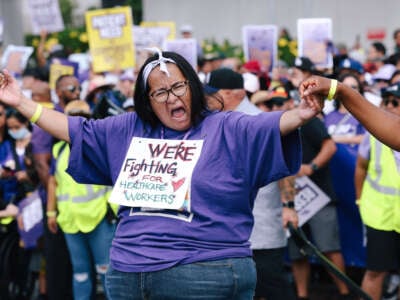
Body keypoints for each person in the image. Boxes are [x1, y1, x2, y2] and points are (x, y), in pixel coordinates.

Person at [0, 49, 322, 299]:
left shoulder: (225, 126)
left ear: (193, 87)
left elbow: (271, 125)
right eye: (160, 93)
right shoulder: (130, 128)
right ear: (148, 102)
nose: (172, 97)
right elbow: (74, 129)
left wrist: (303, 112)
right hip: (128, 274)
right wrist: (21, 102)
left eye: (179, 86)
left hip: (204, 271)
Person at [205, 69, 298, 300]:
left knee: (271, 284)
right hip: (233, 226)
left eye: (209, 94)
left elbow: (284, 167)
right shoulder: (219, 121)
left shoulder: (258, 121)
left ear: (227, 94)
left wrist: (289, 205)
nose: (204, 100)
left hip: (262, 223)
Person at [260, 87, 351, 300]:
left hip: (318, 194)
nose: (277, 108)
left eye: (280, 103)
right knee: (296, 253)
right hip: (290, 199)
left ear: (290, 104)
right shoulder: (269, 127)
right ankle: (302, 295)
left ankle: (346, 293)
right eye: (272, 104)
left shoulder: (307, 122)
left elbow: (330, 146)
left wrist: (312, 167)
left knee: (328, 247)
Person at [47, 100, 116, 300]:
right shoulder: (58, 149)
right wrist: (51, 212)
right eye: (72, 116)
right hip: (70, 222)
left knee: (106, 271)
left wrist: (114, 212)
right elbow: (53, 182)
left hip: (99, 219)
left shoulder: (100, 146)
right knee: (80, 273)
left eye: (82, 116)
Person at [354, 83, 400, 300]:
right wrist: (360, 200)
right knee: (375, 271)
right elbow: (361, 168)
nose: (390, 106)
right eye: (387, 101)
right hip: (380, 217)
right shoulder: (372, 135)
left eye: (396, 102)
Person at [299, 75, 400, 151]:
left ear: (360, 90)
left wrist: (339, 89)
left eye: (353, 87)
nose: (390, 106)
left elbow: (367, 139)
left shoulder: (365, 116)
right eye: (346, 86)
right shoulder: (329, 115)